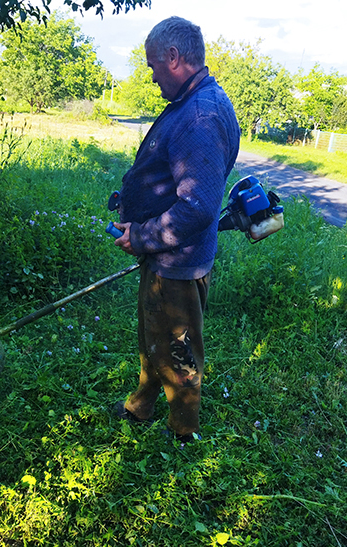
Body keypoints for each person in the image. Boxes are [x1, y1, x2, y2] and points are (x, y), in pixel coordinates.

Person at [112, 16, 240, 444]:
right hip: (165, 257)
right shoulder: (194, 102)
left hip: (177, 263)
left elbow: (197, 207)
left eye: (152, 66)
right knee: (156, 339)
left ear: (174, 57)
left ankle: (182, 434)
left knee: (180, 356)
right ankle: (141, 405)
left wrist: (143, 236)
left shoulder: (201, 115)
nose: (150, 76)